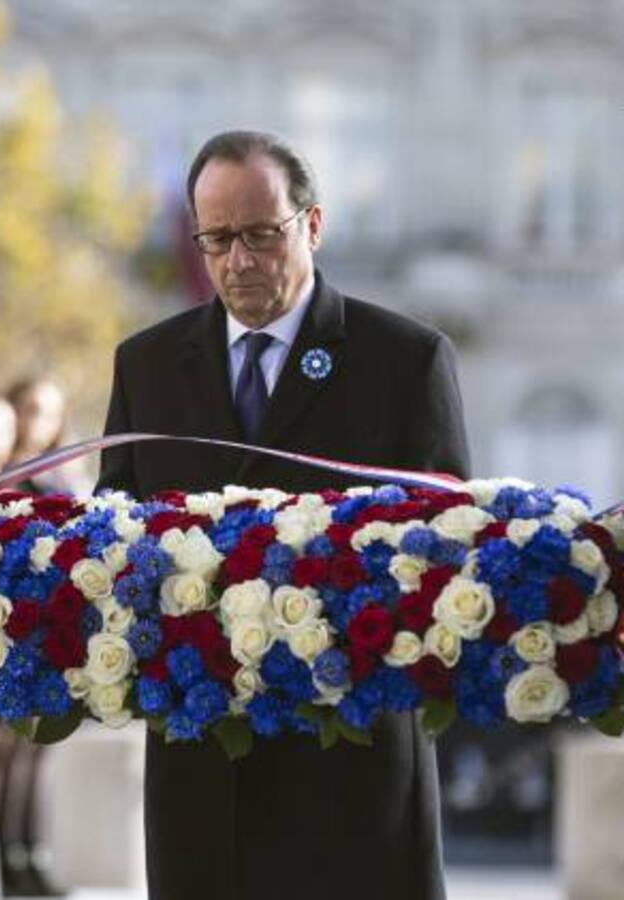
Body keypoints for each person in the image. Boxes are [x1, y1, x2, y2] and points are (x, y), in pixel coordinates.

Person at [97, 130, 470, 900]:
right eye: (218, 239)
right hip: (205, 772)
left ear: (313, 224)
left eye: (262, 235)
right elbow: (117, 537)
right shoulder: (149, 362)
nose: (240, 260)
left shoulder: (404, 360)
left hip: (352, 770)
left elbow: (448, 552)